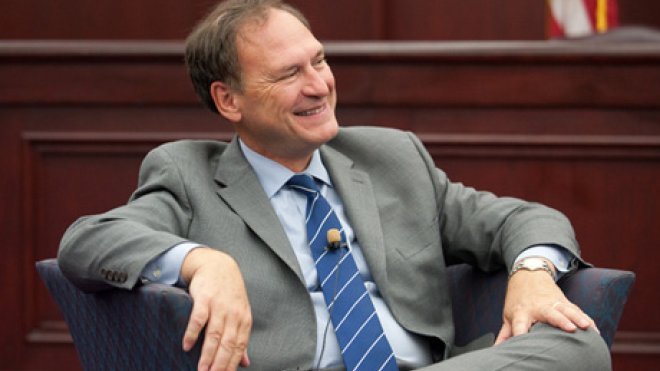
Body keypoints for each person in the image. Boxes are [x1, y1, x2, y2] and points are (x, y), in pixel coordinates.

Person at [57, 0, 611, 370]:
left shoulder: (392, 157)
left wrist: (534, 274)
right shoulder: (187, 174)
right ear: (229, 99)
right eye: (288, 74)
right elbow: (86, 243)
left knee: (578, 343)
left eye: (319, 60)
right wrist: (204, 261)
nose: (319, 85)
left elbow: (520, 220)